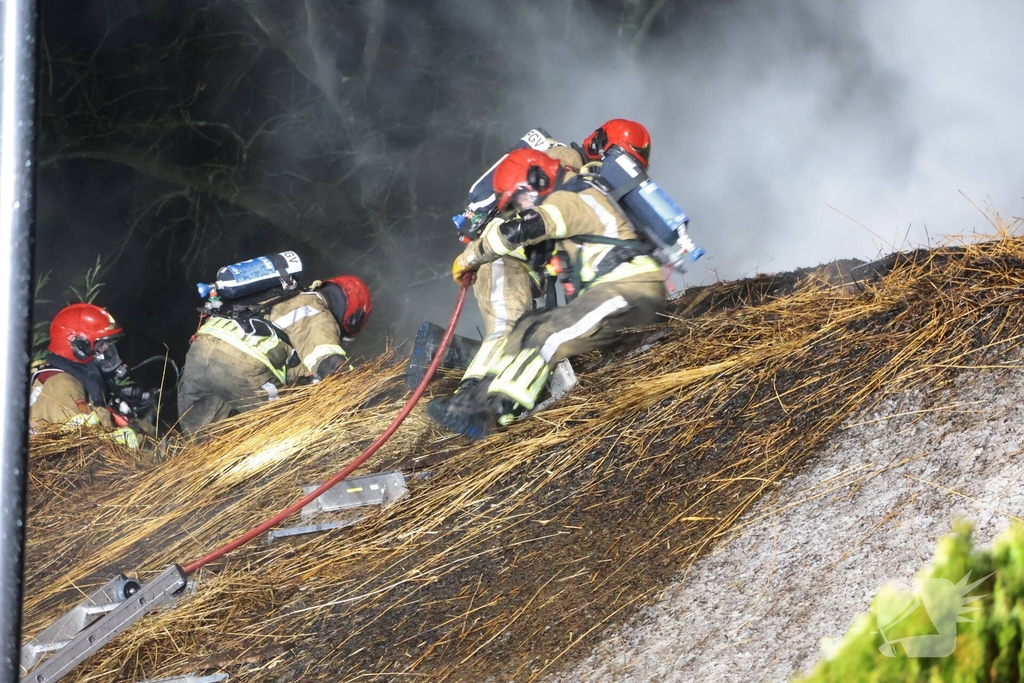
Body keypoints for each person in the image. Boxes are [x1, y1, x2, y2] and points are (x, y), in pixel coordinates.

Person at [427, 146, 667, 439]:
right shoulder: (569, 198)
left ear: (537, 180)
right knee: (527, 326)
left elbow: (523, 228)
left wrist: (471, 257)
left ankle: (498, 409)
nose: (520, 206)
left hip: (632, 290)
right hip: (611, 291)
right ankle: (475, 399)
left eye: (519, 198)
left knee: (550, 333)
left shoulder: (573, 197)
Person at [176, 275, 372, 435]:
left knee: (202, 442)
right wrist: (365, 393)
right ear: (352, 316)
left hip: (199, 353)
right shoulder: (317, 311)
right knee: (289, 429)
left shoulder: (287, 295)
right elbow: (330, 365)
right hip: (241, 364)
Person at [29, 303, 149, 448]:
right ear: (79, 348)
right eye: (100, 346)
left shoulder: (72, 378)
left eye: (108, 345)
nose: (107, 351)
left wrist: (114, 415)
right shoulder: (62, 385)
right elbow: (80, 447)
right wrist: (120, 437)